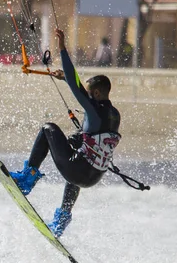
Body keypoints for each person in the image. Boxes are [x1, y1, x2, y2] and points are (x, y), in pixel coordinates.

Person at [9, 28, 121, 238]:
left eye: (89, 94)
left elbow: (76, 84)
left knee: (48, 128)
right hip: (93, 177)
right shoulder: (114, 115)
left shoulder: (94, 110)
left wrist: (62, 49)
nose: (86, 97)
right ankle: (62, 218)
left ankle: (27, 177)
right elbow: (96, 137)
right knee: (80, 153)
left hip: (79, 172)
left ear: (96, 93)